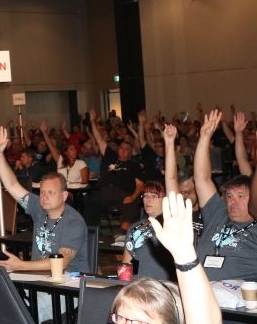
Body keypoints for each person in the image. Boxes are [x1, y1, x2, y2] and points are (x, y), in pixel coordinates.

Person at [0, 126, 88, 323]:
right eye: (42, 192)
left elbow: (60, 263)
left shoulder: (74, 222)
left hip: (66, 285)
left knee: (24, 312)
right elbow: (11, 185)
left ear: (64, 196)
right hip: (36, 277)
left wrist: (20, 265)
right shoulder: (38, 207)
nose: (43, 197)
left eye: (50, 193)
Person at [109, 192, 221, 324]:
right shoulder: (136, 228)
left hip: (165, 293)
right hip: (141, 288)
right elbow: (126, 266)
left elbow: (206, 320)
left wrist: (184, 255)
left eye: (141, 322)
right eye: (121, 318)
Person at [192, 109, 256, 281]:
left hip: (237, 300)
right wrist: (204, 137)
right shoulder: (218, 214)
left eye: (241, 196)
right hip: (198, 289)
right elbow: (202, 179)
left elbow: (243, 160)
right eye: (229, 196)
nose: (233, 202)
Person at [84, 109, 145, 235]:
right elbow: (100, 140)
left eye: (127, 149)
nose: (123, 150)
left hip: (122, 194)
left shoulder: (134, 166)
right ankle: (90, 233)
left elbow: (140, 185)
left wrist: (132, 196)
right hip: (104, 191)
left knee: (132, 203)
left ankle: (122, 233)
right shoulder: (110, 156)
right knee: (88, 200)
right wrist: (93, 121)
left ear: (131, 152)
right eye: (121, 148)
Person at [122, 180, 174, 280]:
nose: (148, 200)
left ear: (165, 199)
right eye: (145, 196)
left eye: (154, 196)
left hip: (162, 285)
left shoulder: (171, 226)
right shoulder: (135, 227)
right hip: (137, 284)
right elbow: (126, 263)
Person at [42, 120, 88, 186]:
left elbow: (85, 184)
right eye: (71, 149)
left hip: (77, 194)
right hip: (62, 192)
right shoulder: (60, 160)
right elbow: (51, 147)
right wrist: (44, 132)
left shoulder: (81, 163)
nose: (75, 151)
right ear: (66, 152)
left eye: (75, 149)